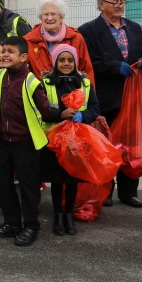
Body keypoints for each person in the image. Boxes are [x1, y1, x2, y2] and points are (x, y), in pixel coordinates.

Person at [78, 0, 142, 208]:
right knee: (105, 144)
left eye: (122, 1)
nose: (120, 5)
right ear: (101, 4)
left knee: (129, 145)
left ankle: (129, 192)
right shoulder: (88, 30)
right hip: (105, 97)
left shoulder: (134, 28)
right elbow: (88, 62)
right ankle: (105, 190)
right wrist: (113, 66)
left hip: (131, 97)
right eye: (114, 2)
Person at [0, 36, 56, 247]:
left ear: (23, 57)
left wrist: (65, 114)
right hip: (5, 141)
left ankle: (31, 226)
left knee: (28, 187)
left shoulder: (32, 82)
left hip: (26, 143)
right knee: (4, 184)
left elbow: (45, 111)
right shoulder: (0, 77)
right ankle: (12, 223)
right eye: (2, 51)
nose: (4, 55)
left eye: (10, 52)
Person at [40, 44, 101, 236]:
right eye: (61, 60)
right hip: (55, 139)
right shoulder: (47, 82)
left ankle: (68, 214)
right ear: (55, 62)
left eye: (69, 60)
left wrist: (83, 117)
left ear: (75, 62)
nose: (66, 64)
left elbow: (94, 107)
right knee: (58, 179)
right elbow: (41, 110)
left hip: (77, 139)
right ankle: (58, 214)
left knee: (73, 178)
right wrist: (61, 114)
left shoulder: (84, 82)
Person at [24, 0, 96, 83]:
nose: (49, 18)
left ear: (61, 17)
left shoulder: (76, 38)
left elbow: (86, 69)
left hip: (72, 93)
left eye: (53, 14)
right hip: (40, 93)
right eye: (46, 14)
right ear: (40, 17)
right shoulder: (29, 40)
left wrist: (89, 94)